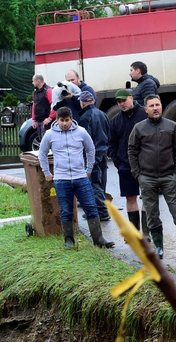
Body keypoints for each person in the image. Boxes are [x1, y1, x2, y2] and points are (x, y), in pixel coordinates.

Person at [128, 94, 176, 259]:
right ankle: (158, 247)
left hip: (169, 177)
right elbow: (132, 151)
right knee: (152, 214)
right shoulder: (138, 128)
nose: (155, 108)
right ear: (146, 109)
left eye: (157, 105)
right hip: (147, 178)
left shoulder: (172, 126)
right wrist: (138, 174)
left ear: (162, 107)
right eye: (151, 106)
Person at [37, 107, 114, 250]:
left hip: (81, 178)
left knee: (91, 208)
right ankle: (69, 241)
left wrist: (89, 169)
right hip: (61, 179)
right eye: (62, 120)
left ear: (71, 119)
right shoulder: (49, 134)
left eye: (67, 120)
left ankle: (99, 240)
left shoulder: (81, 132)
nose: (65, 123)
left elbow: (91, 149)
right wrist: (46, 171)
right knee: (66, 210)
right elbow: (42, 153)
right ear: (57, 120)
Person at [108, 89, 148, 230]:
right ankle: (135, 231)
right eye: (119, 102)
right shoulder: (115, 121)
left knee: (147, 198)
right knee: (130, 198)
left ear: (131, 98)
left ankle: (147, 232)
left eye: (124, 100)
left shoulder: (145, 114)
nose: (121, 104)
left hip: (146, 166)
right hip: (125, 166)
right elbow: (112, 144)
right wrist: (118, 163)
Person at [77, 91, 111, 224]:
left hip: (92, 155)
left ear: (82, 102)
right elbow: (108, 133)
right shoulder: (103, 114)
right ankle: (100, 210)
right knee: (101, 183)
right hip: (103, 153)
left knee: (94, 184)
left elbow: (86, 140)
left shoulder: (85, 118)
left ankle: (101, 212)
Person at [21, 74, 53, 150]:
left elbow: (53, 105)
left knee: (48, 142)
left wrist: (50, 118)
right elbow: (34, 106)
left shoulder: (48, 90)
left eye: (33, 81)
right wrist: (33, 120)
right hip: (39, 121)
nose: (32, 83)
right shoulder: (35, 92)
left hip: (46, 122)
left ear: (38, 81)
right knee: (42, 142)